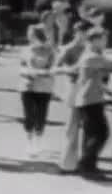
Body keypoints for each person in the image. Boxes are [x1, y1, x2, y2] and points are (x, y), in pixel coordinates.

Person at [73, 27, 112, 175]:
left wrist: (106, 90)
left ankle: (88, 166)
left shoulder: (94, 55)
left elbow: (97, 75)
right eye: (103, 39)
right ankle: (86, 164)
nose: (106, 42)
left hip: (92, 99)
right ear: (94, 40)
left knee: (93, 134)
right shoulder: (91, 56)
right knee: (101, 133)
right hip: (89, 100)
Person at [53, 20, 94, 173]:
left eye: (86, 32)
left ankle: (85, 163)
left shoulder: (91, 48)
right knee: (72, 126)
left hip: (89, 88)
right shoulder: (69, 49)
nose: (84, 35)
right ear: (76, 32)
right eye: (82, 32)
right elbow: (56, 67)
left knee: (89, 126)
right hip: (74, 87)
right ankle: (67, 164)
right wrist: (70, 69)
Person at [19, 24, 56, 157]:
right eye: (29, 35)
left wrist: (40, 72)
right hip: (27, 86)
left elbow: (53, 69)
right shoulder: (25, 50)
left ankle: (38, 143)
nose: (30, 37)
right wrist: (27, 72)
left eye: (32, 35)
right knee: (29, 115)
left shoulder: (50, 51)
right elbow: (21, 67)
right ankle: (29, 143)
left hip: (44, 88)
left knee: (41, 116)